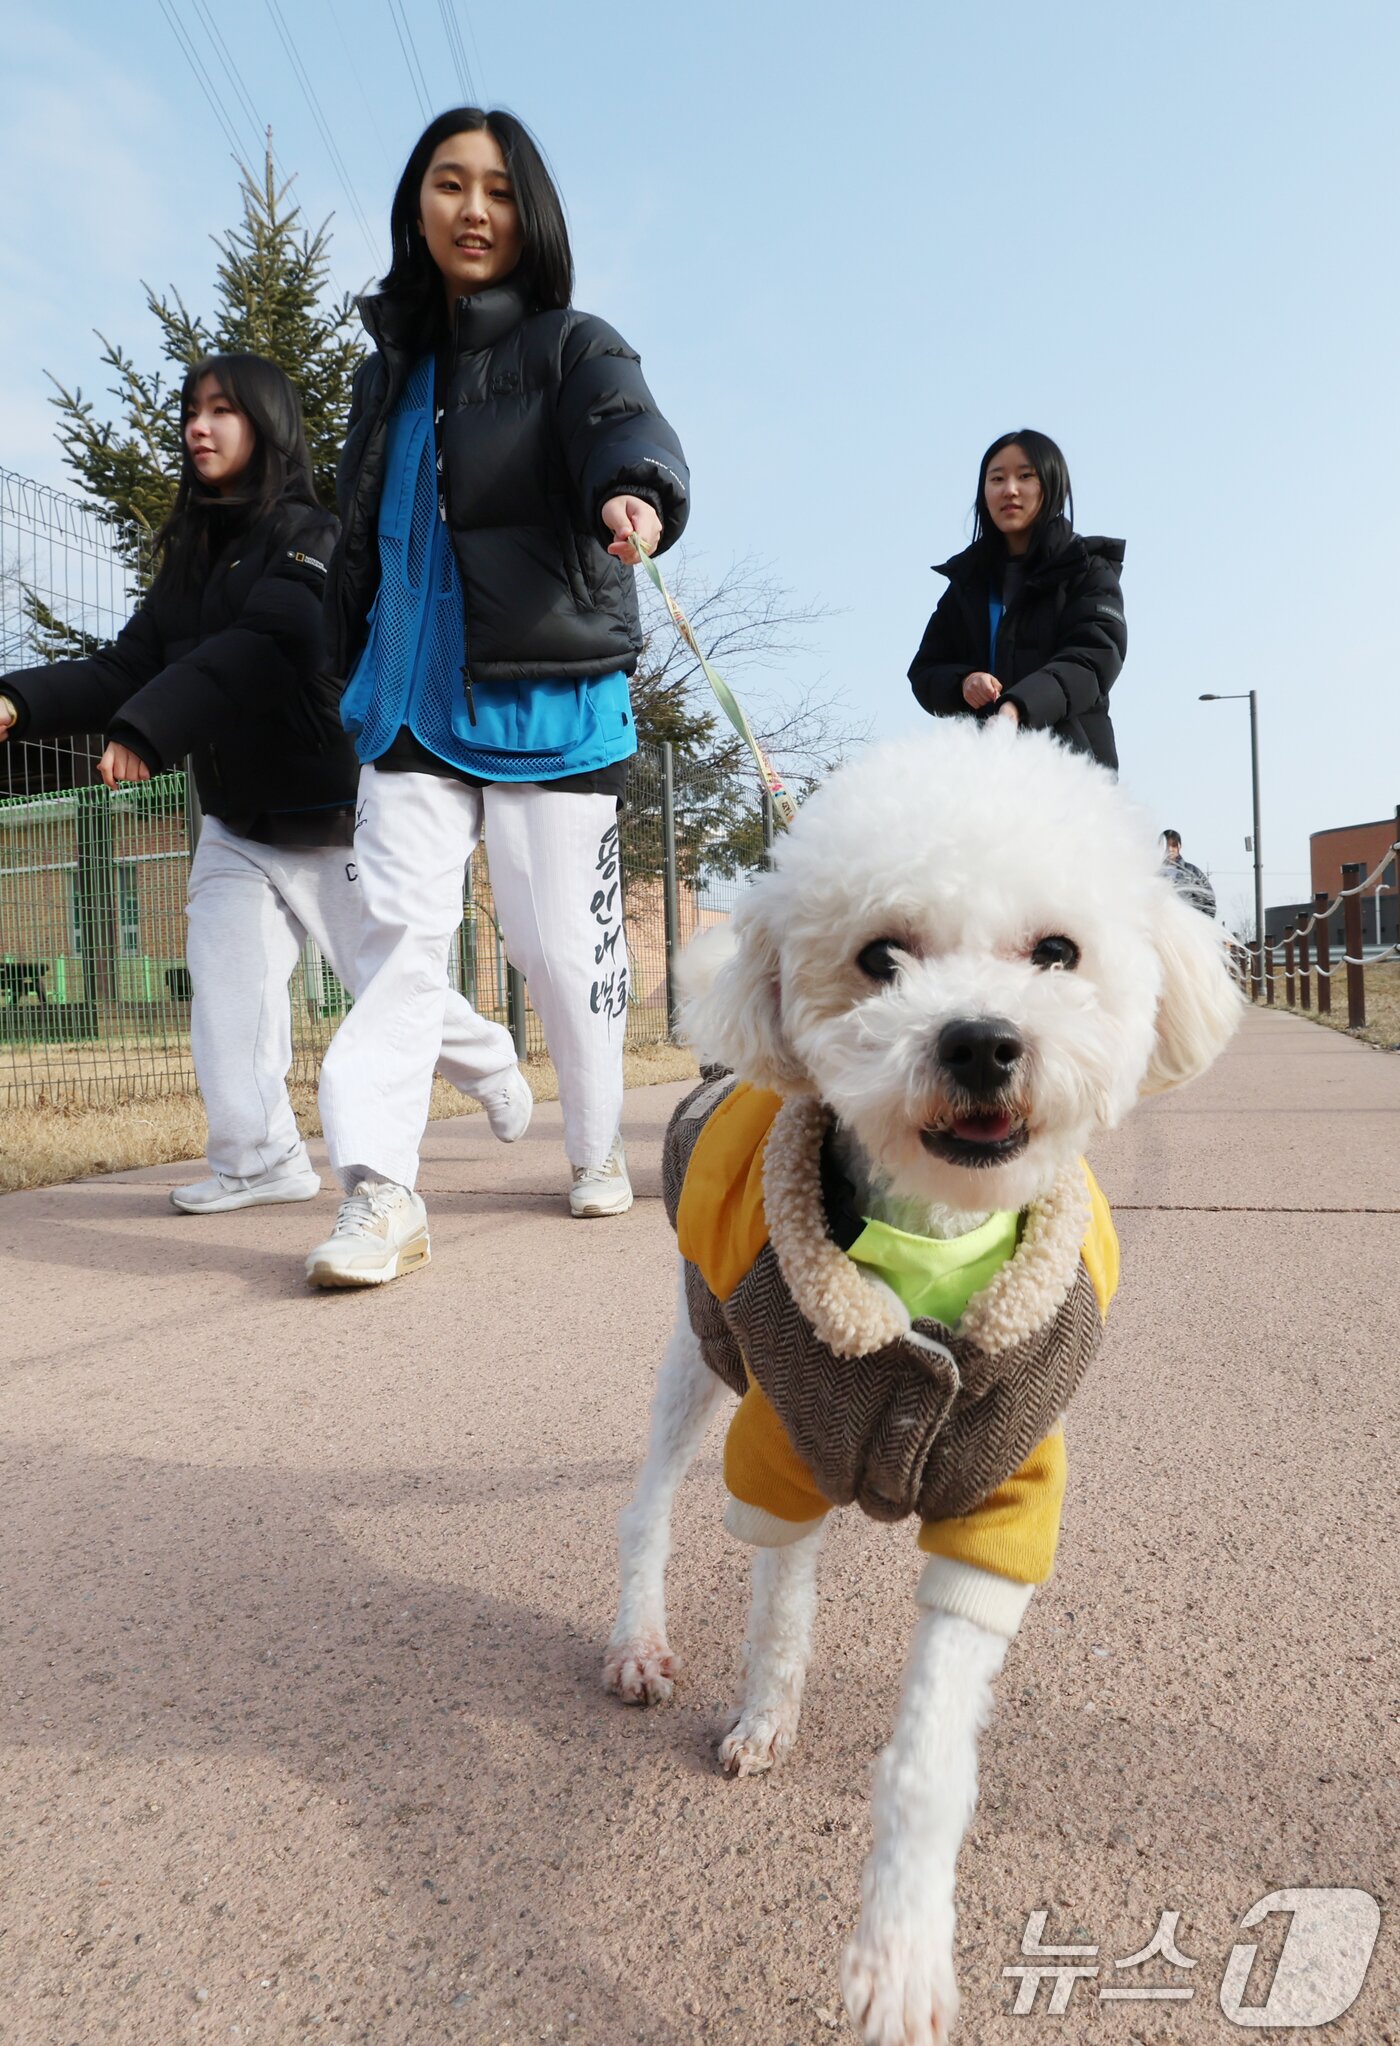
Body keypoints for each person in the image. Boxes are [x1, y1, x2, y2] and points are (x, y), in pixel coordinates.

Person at [305, 106, 689, 1290]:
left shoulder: (576, 345)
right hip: (409, 701)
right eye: (448, 185)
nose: (473, 210)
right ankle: (378, 1189)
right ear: (415, 207)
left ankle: (590, 1148)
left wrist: (636, 491)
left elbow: (626, 426)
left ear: (531, 213)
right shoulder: (386, 375)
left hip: (545, 700)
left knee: (560, 957)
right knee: (399, 947)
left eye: (499, 190)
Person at [0, 356, 362, 1212]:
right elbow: (123, 666)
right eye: (192, 411)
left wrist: (147, 730)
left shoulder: (315, 533)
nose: (198, 427)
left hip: (333, 816)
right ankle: (259, 1159)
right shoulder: (190, 565)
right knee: (228, 989)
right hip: (237, 821)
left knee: (395, 988)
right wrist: (16, 700)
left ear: (267, 425)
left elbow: (274, 645)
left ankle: (492, 1068)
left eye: (223, 410)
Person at [908, 429, 1126, 770]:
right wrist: (964, 682)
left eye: (1025, 476)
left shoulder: (1088, 570)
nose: (1009, 489)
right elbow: (925, 671)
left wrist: (1017, 707)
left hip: (1074, 778)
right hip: (988, 776)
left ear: (1052, 485)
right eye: (997, 478)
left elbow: (1092, 661)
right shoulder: (968, 582)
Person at [1159, 829, 1216, 916]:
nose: (1170, 849)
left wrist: (1202, 925)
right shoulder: (1153, 873)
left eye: (1173, 845)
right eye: (1166, 845)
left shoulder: (1192, 872)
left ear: (1179, 846)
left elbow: (1209, 903)